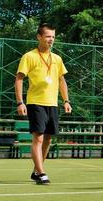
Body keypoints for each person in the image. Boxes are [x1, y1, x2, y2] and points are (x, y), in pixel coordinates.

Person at [15, 23, 71, 185]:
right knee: (38, 138)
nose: (51, 39)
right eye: (48, 36)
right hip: (35, 103)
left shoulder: (57, 59)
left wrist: (66, 100)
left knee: (48, 140)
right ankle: (42, 173)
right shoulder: (29, 56)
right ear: (39, 37)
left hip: (52, 104)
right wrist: (20, 102)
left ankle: (36, 171)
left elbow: (62, 80)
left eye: (53, 37)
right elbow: (19, 79)